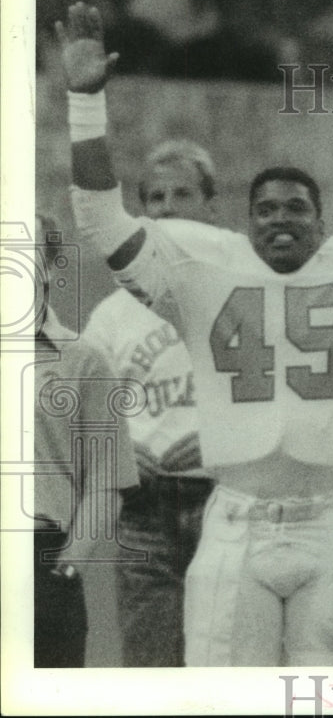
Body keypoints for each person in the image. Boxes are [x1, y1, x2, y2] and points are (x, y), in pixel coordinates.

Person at [59, 2, 333, 666]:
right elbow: (101, 218)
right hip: (236, 514)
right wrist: (84, 99)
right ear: (243, 225)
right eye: (266, 209)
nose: (280, 220)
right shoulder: (205, 273)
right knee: (218, 693)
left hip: (331, 517)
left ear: (323, 224)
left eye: (296, 209)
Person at [81, 140, 218, 667]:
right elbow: (86, 416)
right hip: (143, 508)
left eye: (182, 193)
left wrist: (225, 440)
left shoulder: (244, 290)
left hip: (226, 499)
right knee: (150, 667)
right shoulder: (113, 314)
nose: (166, 207)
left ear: (211, 205)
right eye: (154, 197)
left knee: (225, 664)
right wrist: (118, 450)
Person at [33, 212, 140, 667]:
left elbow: (105, 483)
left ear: (53, 265)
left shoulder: (85, 361)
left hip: (42, 563)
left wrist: (67, 567)